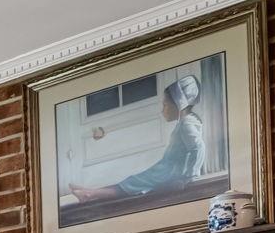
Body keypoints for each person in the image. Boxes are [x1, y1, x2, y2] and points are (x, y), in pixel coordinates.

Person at [65, 75, 206, 204]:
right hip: (164, 169)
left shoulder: (187, 124)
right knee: (132, 181)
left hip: (168, 173)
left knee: (133, 183)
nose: (162, 110)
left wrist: (189, 177)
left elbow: (197, 147)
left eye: (165, 105)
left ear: (178, 104)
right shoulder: (186, 122)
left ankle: (89, 194)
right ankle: (89, 192)